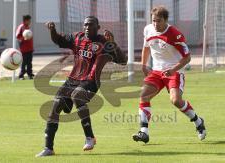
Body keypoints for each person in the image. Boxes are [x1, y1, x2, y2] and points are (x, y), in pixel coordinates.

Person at [36, 16, 127, 157]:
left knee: (77, 95)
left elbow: (123, 61)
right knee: (55, 107)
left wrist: (113, 43)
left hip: (91, 81)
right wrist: (52, 30)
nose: (87, 27)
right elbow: (58, 40)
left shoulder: (103, 42)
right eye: (85, 25)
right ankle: (48, 148)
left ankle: (89, 137)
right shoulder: (77, 38)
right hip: (72, 80)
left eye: (90, 25)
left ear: (97, 27)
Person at [132, 6, 206, 144]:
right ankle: (144, 132)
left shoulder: (175, 34)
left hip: (175, 71)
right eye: (153, 20)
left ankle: (198, 121)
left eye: (158, 21)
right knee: (144, 95)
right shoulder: (148, 29)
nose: (155, 24)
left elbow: (187, 58)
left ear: (166, 20)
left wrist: (173, 69)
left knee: (176, 100)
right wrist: (143, 65)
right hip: (157, 71)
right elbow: (146, 47)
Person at [16, 15, 34, 80]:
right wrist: (24, 39)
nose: (30, 22)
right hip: (24, 49)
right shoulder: (21, 27)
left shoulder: (28, 27)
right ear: (25, 20)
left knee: (29, 62)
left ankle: (30, 74)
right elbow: (17, 36)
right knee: (23, 62)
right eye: (29, 20)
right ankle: (21, 75)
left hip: (30, 48)